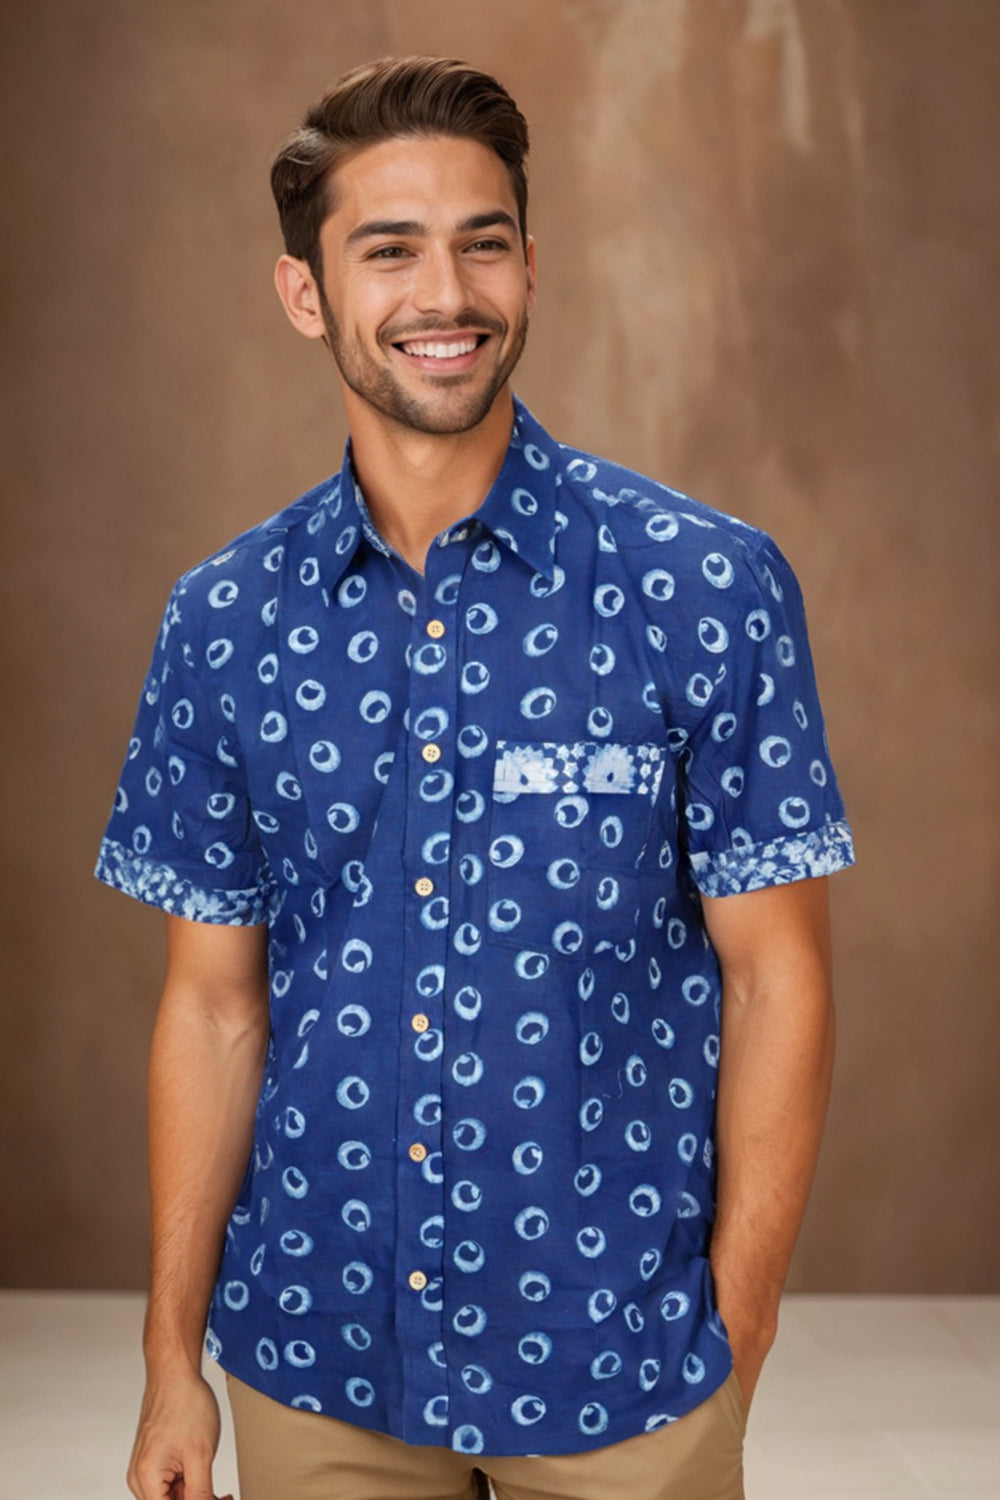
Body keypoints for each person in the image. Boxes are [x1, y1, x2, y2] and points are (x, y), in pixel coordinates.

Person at [97, 55, 854, 1500]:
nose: (446, 293)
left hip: (624, 1363)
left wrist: (739, 1333)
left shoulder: (704, 586)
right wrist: (168, 1361)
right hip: (317, 1361)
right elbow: (211, 1005)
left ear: (529, 265)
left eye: (483, 242)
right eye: (389, 250)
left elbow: (780, 977)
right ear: (305, 293)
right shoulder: (224, 620)